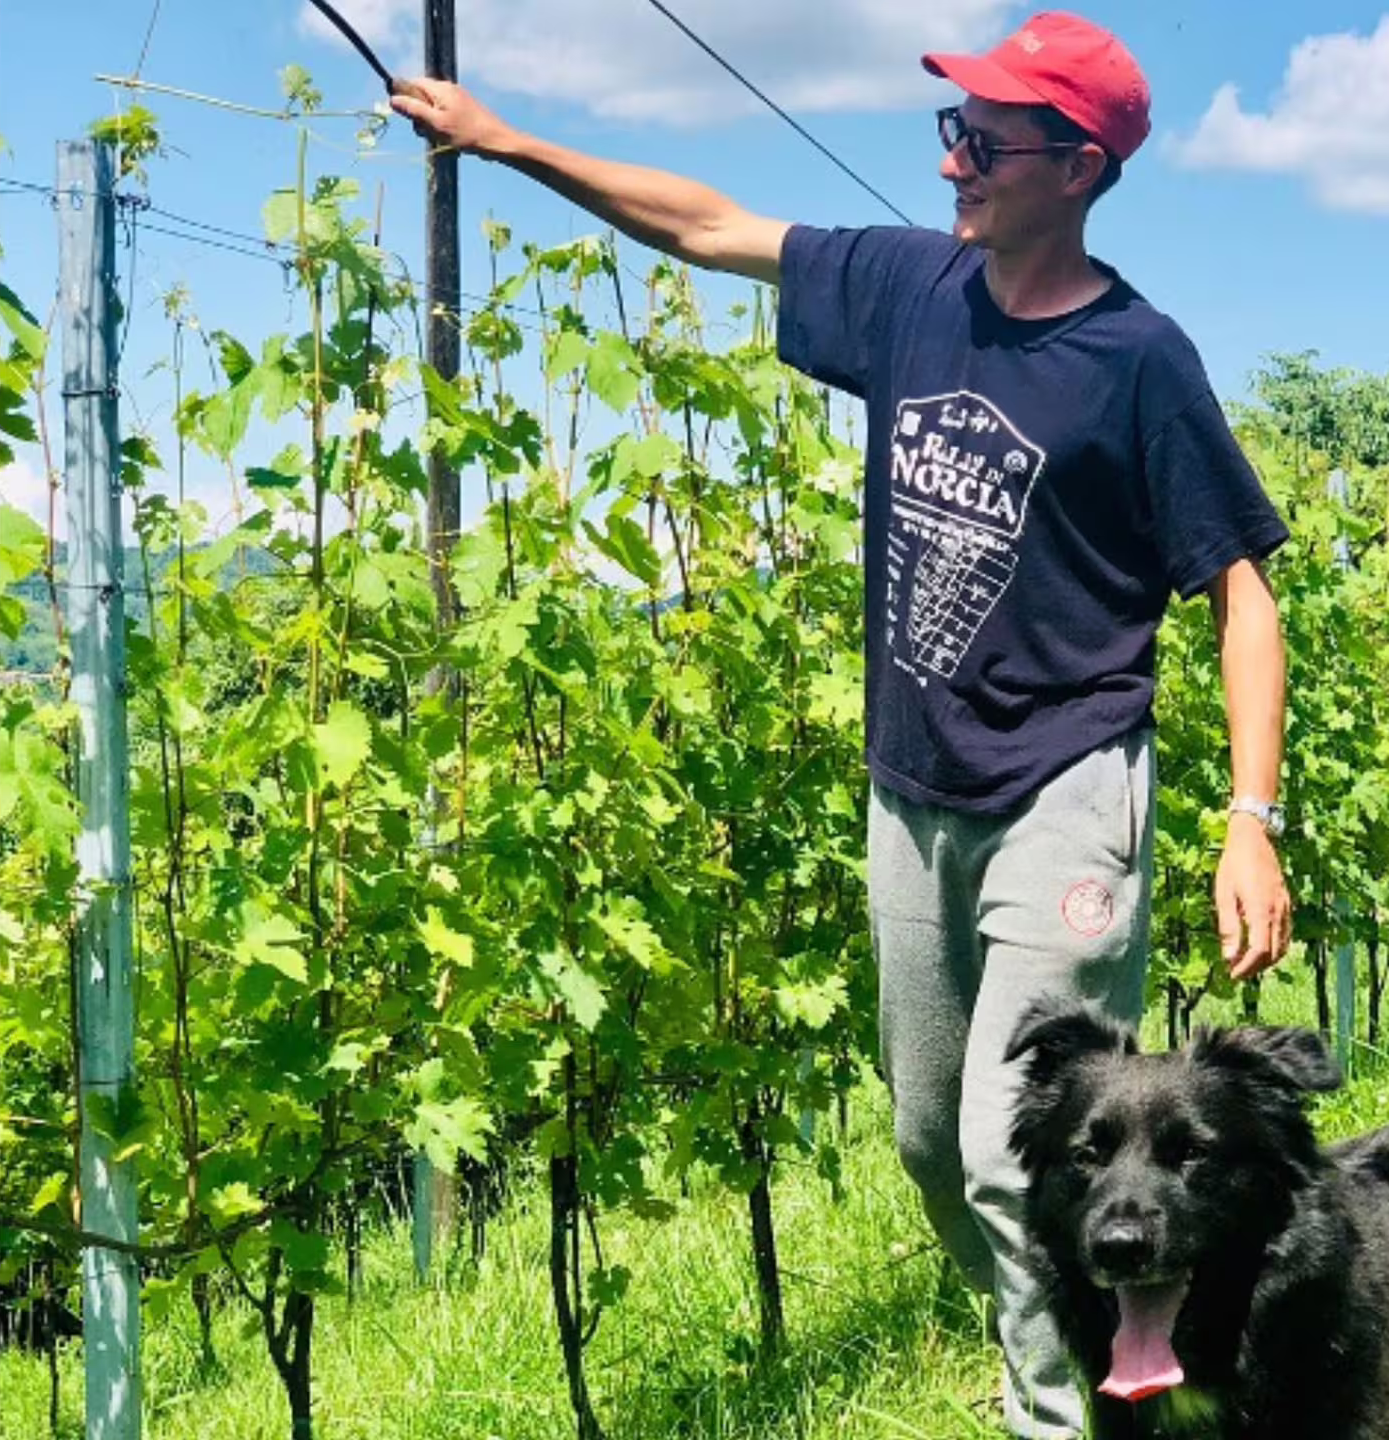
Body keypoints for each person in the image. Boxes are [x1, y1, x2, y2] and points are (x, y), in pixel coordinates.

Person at [393, 13, 1293, 1435]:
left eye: (987, 141)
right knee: (933, 1140)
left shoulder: (1138, 359)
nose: (954, 162)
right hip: (912, 788)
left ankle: (1077, 1417)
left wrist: (1252, 820)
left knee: (1011, 1155)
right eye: (955, 132)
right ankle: (1096, 1351)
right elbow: (707, 226)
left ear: (1078, 167)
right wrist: (505, 142)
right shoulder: (906, 288)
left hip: (1069, 788)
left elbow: (1242, 595)